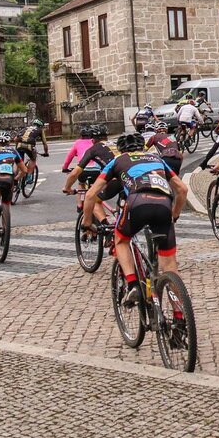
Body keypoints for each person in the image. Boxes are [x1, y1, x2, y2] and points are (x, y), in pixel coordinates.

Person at [82, 132, 189, 306]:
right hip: (164, 204)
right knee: (170, 266)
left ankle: (133, 285)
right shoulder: (156, 159)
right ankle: (179, 317)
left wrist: (87, 223)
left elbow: (90, 195)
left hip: (137, 202)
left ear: (121, 149)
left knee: (121, 240)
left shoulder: (117, 161)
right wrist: (174, 215)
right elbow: (182, 190)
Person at [63, 125, 119, 230]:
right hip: (130, 178)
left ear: (92, 140)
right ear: (106, 137)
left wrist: (67, 188)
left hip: (114, 179)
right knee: (122, 201)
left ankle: (104, 226)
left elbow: (75, 172)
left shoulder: (93, 149)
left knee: (92, 197)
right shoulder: (117, 145)